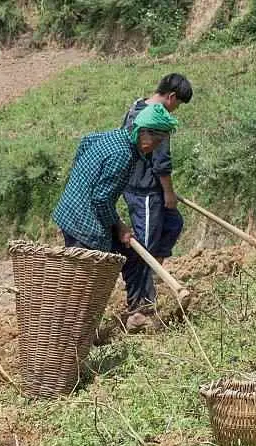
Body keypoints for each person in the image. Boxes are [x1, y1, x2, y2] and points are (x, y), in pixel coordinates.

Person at [52, 103, 179, 326]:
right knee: (87, 281)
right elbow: (101, 200)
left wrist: (82, 181)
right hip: (84, 223)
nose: (155, 147)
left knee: (133, 256)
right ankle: (71, 335)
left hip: (76, 212)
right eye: (156, 141)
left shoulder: (112, 136)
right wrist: (119, 227)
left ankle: (139, 313)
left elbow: (85, 142)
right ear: (143, 132)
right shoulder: (123, 155)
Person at [121, 73, 193, 331]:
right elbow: (161, 162)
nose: (176, 109)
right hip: (145, 191)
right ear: (171, 96)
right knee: (146, 247)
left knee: (173, 223)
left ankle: (147, 280)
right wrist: (169, 194)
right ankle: (139, 308)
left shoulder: (136, 105)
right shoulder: (157, 118)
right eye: (179, 103)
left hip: (139, 187)